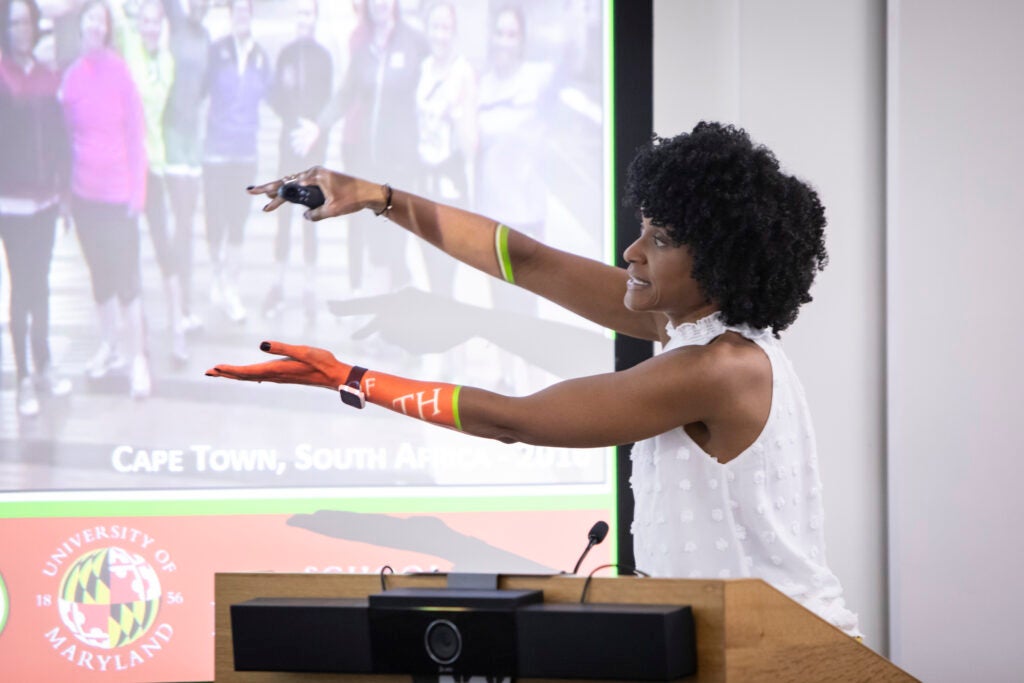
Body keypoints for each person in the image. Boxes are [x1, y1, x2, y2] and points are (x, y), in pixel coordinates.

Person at [210, 122, 862, 638]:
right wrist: (381, 198)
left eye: (659, 241)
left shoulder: (717, 368)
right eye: (643, 230)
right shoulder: (686, 333)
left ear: (721, 264)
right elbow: (526, 260)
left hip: (788, 648)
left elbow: (513, 419)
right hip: (732, 640)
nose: (632, 253)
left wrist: (346, 377)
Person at [293, 0, 426, 297]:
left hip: (402, 163)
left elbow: (432, 83)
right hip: (371, 163)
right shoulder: (364, 49)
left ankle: (398, 306)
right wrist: (319, 125)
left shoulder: (414, 43)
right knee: (377, 242)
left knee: (397, 242)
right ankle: (384, 314)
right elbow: (345, 94)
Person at [60, 0, 151, 398]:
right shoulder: (72, 77)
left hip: (118, 198)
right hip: (84, 198)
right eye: (89, 20)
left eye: (101, 21)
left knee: (127, 281)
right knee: (99, 278)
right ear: (80, 28)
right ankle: (109, 345)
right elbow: (63, 139)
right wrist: (65, 195)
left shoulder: (121, 74)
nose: (95, 27)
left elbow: (136, 135)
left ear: (107, 29)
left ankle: (138, 360)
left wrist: (138, 192)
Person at [0, 0, 73, 416]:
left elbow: (60, 138)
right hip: (11, 204)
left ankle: (44, 366)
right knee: (21, 288)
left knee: (40, 284)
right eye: (13, 23)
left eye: (25, 22)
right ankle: (23, 378)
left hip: (45, 201)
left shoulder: (48, 78)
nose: (20, 30)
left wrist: (62, 192)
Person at [112, 0, 188, 362]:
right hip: (127, 169)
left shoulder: (168, 62)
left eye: (155, 22)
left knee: (165, 251)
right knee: (128, 251)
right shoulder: (129, 47)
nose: (150, 28)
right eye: (144, 21)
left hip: (155, 168)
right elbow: (115, 13)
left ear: (163, 25)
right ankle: (136, 335)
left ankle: (177, 331)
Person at [262, 0, 332, 324]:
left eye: (309, 13)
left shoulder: (324, 58)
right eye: (300, 13)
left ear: (316, 18)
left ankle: (309, 286)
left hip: (315, 150)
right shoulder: (286, 55)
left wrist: (313, 128)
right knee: (283, 216)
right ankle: (277, 282)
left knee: (312, 216)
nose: (304, 19)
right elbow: (274, 96)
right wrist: (292, 121)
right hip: (288, 146)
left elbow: (330, 100)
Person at [202, 0, 270, 323]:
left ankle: (231, 284)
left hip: (245, 153)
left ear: (251, 17)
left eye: (246, 11)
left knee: (238, 220)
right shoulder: (216, 52)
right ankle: (217, 274)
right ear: (230, 17)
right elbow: (198, 90)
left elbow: (275, 95)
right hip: (216, 151)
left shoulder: (260, 57)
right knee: (214, 219)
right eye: (237, 12)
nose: (241, 17)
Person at [414, 0, 476, 298]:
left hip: (451, 186)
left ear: (455, 33)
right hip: (423, 183)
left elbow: (471, 146)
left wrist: (458, 114)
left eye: (446, 28)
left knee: (445, 274)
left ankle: (448, 339)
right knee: (429, 266)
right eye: (435, 27)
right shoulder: (423, 68)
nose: (440, 35)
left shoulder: (463, 73)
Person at [161, 0, 209, 336]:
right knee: (175, 227)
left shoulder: (204, 35)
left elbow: (203, 89)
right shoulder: (172, 24)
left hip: (191, 142)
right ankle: (178, 306)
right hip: (168, 137)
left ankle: (182, 305)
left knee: (184, 227)